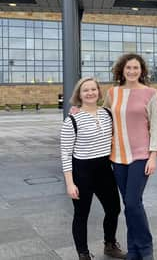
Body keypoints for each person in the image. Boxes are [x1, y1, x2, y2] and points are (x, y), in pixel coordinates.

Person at [105, 53, 157, 260]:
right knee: (131, 204)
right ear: (122, 70)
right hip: (118, 157)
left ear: (142, 71)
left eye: (136, 68)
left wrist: (153, 156)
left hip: (141, 156)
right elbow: (104, 117)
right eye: (128, 68)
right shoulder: (113, 93)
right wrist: (82, 112)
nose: (132, 71)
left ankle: (146, 249)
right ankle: (134, 250)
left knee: (132, 202)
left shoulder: (151, 93)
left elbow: (156, 126)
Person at [60, 77, 127, 260]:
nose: (90, 93)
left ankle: (110, 244)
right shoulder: (72, 120)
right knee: (82, 214)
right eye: (85, 90)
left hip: (105, 169)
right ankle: (83, 254)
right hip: (82, 172)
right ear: (79, 95)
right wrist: (69, 183)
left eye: (93, 89)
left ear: (98, 92)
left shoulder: (107, 113)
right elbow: (65, 153)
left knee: (113, 209)